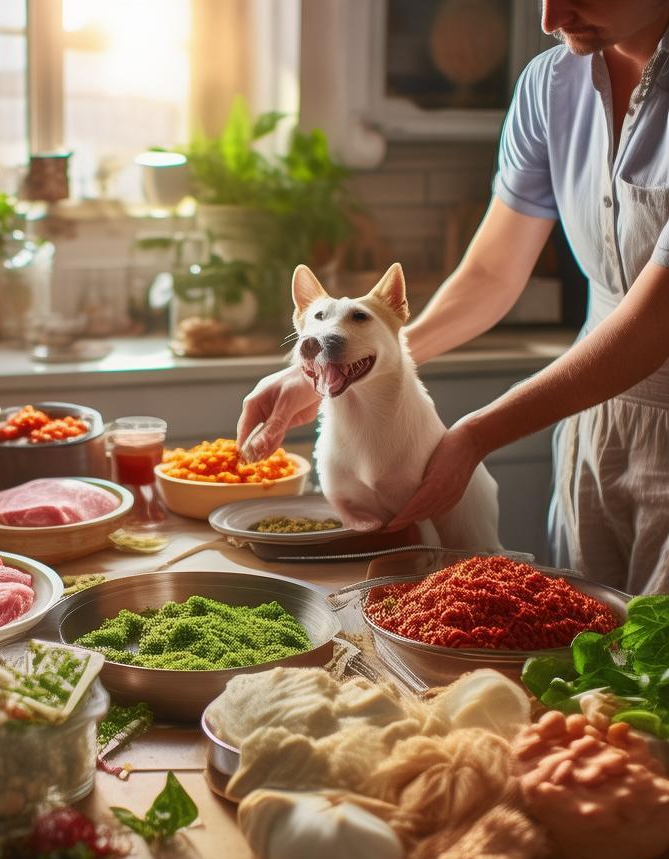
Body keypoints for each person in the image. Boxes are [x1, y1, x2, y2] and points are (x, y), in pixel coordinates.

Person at [236, 0, 669, 594]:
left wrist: (474, 436)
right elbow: (492, 273)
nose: (549, 18)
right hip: (590, 417)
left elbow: (652, 326)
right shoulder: (550, 83)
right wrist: (346, 366)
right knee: (585, 662)